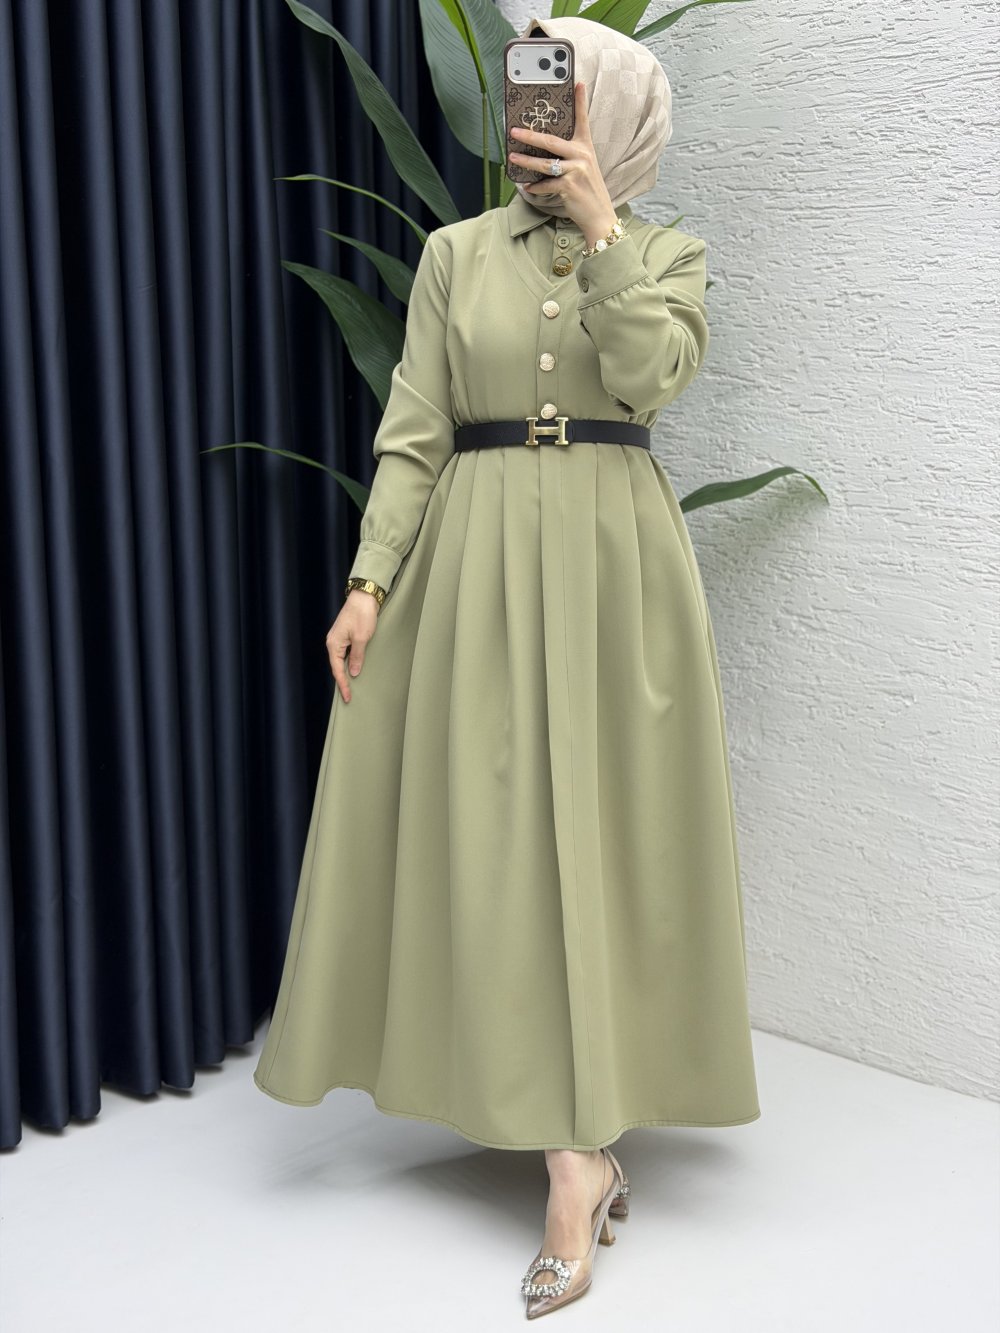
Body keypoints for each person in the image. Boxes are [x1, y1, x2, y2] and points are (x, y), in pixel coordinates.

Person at [254, 13, 760, 1319]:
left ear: (618, 114)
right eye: (541, 95)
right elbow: (416, 428)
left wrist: (601, 229)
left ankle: (576, 1162)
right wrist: (370, 582)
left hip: (613, 578)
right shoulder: (453, 253)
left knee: (596, 840)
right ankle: (564, 1139)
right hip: (472, 569)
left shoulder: (666, 252)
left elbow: (649, 379)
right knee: (496, 841)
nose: (547, 119)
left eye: (572, 96)